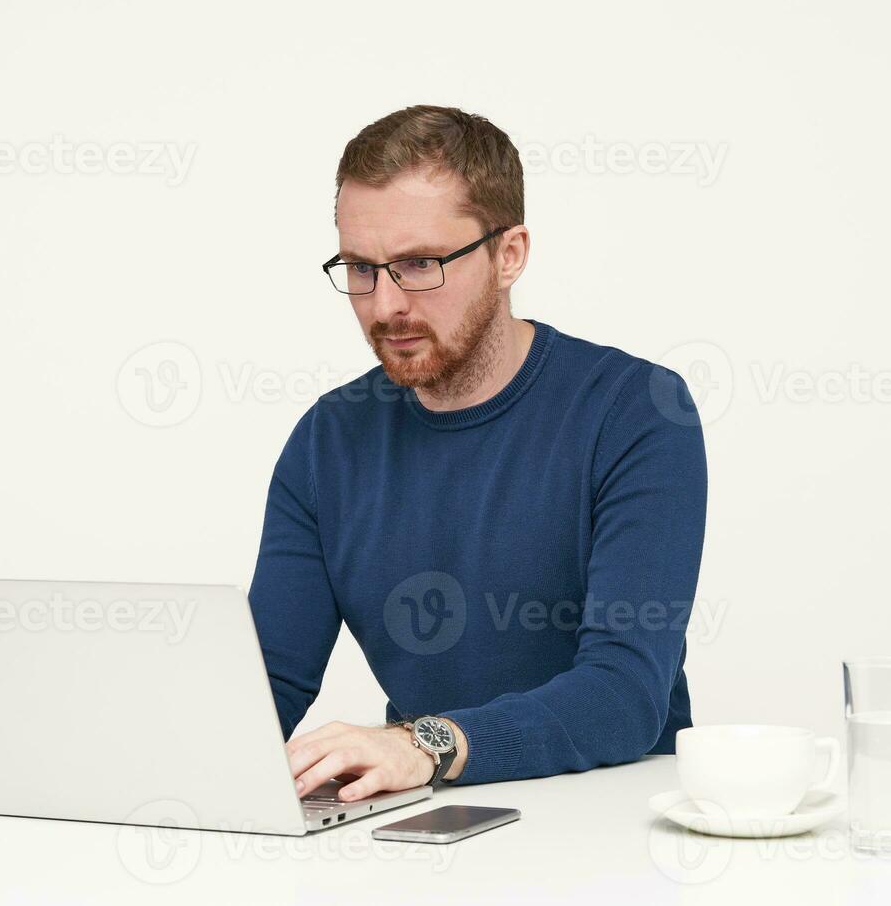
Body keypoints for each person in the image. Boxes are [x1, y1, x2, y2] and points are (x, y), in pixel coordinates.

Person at [248, 104, 708, 802]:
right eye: (361, 269)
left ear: (509, 254)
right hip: (425, 817)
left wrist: (422, 744)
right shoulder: (327, 441)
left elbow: (623, 694)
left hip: (607, 820)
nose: (384, 305)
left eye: (419, 265)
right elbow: (263, 690)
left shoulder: (635, 409)